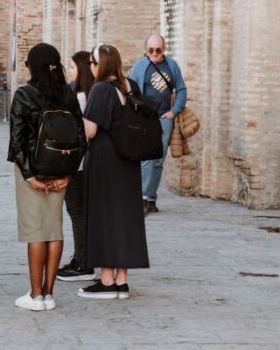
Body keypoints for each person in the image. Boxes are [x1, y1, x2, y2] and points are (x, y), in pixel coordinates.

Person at [8, 43, 86, 311]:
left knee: (35, 232)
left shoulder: (24, 95)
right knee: (54, 230)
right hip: (60, 171)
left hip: (32, 169)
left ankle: (35, 294)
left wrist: (30, 177)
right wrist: (68, 175)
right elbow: (80, 136)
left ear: (31, 67)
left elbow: (17, 141)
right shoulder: (67, 94)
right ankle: (49, 294)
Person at [78, 44, 149, 300]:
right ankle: (122, 280)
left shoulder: (100, 90)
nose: (90, 68)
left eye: (92, 63)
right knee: (124, 217)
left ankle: (106, 281)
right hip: (128, 161)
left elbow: (90, 131)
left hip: (105, 159)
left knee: (104, 216)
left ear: (102, 65)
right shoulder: (129, 86)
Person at [128, 34, 188, 214]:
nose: (154, 53)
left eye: (158, 50)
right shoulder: (140, 65)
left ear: (164, 49)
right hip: (145, 118)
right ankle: (143, 197)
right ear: (146, 49)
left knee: (158, 159)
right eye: (151, 50)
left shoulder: (172, 65)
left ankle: (151, 197)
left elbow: (182, 89)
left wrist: (173, 111)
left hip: (164, 118)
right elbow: (130, 88)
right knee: (146, 158)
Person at [57, 50, 97, 282]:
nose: (70, 71)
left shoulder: (80, 97)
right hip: (86, 163)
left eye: (72, 67)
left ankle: (83, 262)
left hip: (77, 164)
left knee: (77, 213)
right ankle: (82, 258)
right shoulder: (90, 94)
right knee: (80, 212)